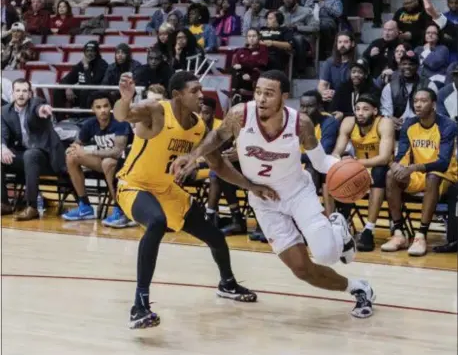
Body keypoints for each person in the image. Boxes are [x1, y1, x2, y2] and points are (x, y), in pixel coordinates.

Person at [173, 70, 375, 318]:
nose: (261, 99)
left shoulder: (300, 123)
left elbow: (321, 162)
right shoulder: (239, 115)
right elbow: (216, 136)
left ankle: (337, 227)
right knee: (301, 269)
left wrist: (353, 170)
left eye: (269, 94)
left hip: (298, 193)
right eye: (258, 92)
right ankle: (358, 287)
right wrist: (193, 158)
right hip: (264, 201)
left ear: (284, 97)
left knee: (326, 254)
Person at [114, 71, 270, 329]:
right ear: (177, 95)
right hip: (134, 185)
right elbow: (123, 115)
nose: (201, 95)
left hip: (167, 190)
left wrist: (250, 185)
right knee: (156, 222)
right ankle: (139, 305)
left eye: (201, 90)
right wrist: (126, 98)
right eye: (195, 90)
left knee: (215, 236)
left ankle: (227, 283)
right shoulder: (156, 111)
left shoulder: (198, 126)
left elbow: (218, 165)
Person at [383, 88, 458, 256]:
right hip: (418, 174)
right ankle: (398, 233)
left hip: (446, 176)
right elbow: (402, 154)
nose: (418, 104)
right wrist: (395, 165)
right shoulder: (409, 124)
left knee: (433, 176)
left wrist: (414, 168)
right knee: (390, 176)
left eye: (423, 101)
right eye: (415, 101)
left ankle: (421, 235)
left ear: (433, 104)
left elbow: (443, 163)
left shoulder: (447, 125)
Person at [332, 94, 395, 251]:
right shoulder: (348, 122)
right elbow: (338, 150)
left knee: (379, 172)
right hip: (359, 167)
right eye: (357, 109)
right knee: (342, 173)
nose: (360, 113)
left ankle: (368, 229)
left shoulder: (384, 123)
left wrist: (354, 163)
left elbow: (384, 158)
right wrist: (336, 160)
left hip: (381, 167)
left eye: (365, 109)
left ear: (375, 111)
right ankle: (343, 224)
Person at [62, 91, 134, 228]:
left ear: (110, 107)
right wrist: (73, 148)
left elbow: (118, 152)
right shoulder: (90, 124)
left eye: (106, 106)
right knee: (72, 157)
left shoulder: (120, 122)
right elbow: (77, 144)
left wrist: (90, 151)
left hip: (126, 165)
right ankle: (85, 206)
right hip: (105, 163)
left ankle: (121, 211)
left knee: (108, 162)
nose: (103, 110)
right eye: (99, 107)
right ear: (93, 109)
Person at [1, 78, 66, 220]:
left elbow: (39, 107)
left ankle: (32, 207)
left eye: (24, 91)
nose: (21, 94)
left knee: (30, 154)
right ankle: (4, 203)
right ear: (12, 94)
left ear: (30, 94)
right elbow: (3, 134)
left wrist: (42, 109)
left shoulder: (35, 104)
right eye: (17, 91)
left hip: (46, 156)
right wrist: (3, 147)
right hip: (25, 157)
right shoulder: (5, 112)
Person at [299, 90, 339, 216]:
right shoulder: (294, 121)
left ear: (320, 107)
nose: (305, 110)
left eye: (310, 106)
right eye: (302, 106)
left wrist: (293, 157)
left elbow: (322, 153)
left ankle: (308, 216)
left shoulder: (329, 122)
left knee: (312, 169)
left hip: (318, 167)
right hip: (296, 164)